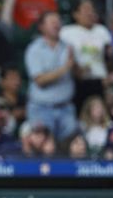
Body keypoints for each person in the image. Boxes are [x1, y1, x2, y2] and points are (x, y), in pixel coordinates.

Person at [24, 11, 77, 141]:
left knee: (68, 150)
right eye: (52, 22)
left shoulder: (68, 47)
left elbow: (76, 74)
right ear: (41, 27)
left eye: (58, 21)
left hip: (66, 108)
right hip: (42, 109)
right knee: (43, 148)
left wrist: (76, 66)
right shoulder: (34, 49)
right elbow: (40, 80)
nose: (57, 25)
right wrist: (65, 68)